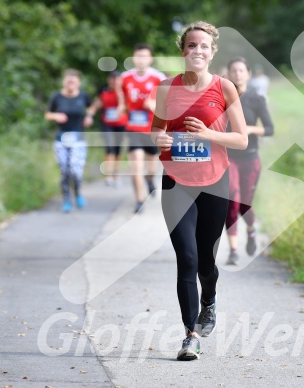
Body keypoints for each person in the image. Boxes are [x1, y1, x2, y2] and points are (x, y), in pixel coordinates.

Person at [151, 21, 248, 361]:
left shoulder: (224, 88)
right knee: (187, 259)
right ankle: (190, 335)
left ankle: (210, 300)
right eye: (191, 46)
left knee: (206, 261)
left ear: (212, 52)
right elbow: (157, 131)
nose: (197, 51)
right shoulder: (166, 88)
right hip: (176, 182)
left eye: (204, 46)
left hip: (214, 182)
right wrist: (160, 139)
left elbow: (241, 138)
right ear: (183, 51)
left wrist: (208, 135)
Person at [224, 57, 274, 265]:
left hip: (250, 158)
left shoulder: (256, 98)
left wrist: (249, 130)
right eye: (234, 70)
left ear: (248, 74)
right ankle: (234, 251)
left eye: (241, 70)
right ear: (228, 74)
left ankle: (251, 231)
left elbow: (270, 129)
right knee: (232, 201)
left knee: (245, 204)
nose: (237, 74)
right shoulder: (222, 97)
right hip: (228, 158)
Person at [119, 43, 167, 213]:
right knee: (135, 165)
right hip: (133, 128)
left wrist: (152, 105)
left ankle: (150, 179)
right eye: (138, 56)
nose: (141, 60)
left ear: (150, 59)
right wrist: (121, 109)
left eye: (144, 57)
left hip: (152, 128)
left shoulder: (159, 78)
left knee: (151, 165)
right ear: (133, 57)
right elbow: (122, 101)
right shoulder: (124, 78)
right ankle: (139, 200)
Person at [45, 69, 93, 213]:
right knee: (64, 170)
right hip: (61, 139)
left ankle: (77, 192)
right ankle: (66, 199)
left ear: (78, 82)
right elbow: (47, 114)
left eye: (73, 81)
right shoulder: (57, 97)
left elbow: (91, 107)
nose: (71, 83)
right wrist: (56, 116)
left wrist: (89, 116)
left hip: (78, 139)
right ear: (63, 81)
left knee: (75, 170)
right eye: (68, 81)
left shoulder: (83, 96)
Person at [88, 70, 128, 187]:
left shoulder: (123, 92)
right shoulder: (103, 91)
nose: (114, 82)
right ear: (109, 80)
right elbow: (96, 104)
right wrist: (89, 114)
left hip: (121, 124)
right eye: (112, 79)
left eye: (117, 79)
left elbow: (123, 105)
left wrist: (118, 90)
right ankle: (108, 175)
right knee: (109, 147)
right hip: (107, 124)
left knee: (117, 149)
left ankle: (116, 174)